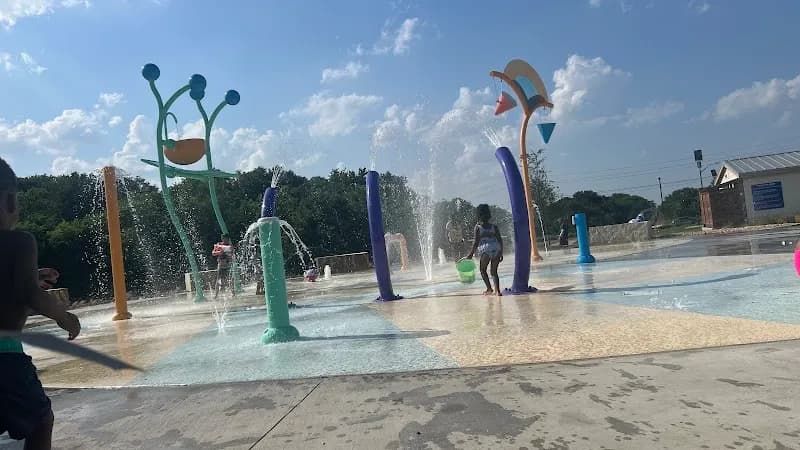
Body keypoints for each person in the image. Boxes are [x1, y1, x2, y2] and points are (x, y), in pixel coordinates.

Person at [0, 157, 81, 449]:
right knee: (40, 420)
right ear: (10, 201)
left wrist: (31, 274)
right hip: (5, 358)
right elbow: (29, 294)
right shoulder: (19, 242)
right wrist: (63, 317)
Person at [466, 204, 504, 296]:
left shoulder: (478, 227)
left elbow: (475, 243)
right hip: (496, 248)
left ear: (478, 215)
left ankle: (489, 289)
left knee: (483, 270)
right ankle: (498, 291)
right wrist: (501, 252)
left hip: (485, 251)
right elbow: (500, 240)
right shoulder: (494, 227)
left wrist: (470, 254)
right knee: (494, 272)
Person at [211, 234, 235, 299]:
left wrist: (228, 258)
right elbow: (213, 253)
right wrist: (219, 253)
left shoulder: (230, 246)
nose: (224, 240)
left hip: (228, 264)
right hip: (221, 264)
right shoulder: (219, 245)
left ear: (228, 239)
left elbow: (233, 255)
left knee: (230, 278)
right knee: (218, 279)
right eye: (223, 239)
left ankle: (233, 293)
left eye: (225, 239)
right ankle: (216, 295)